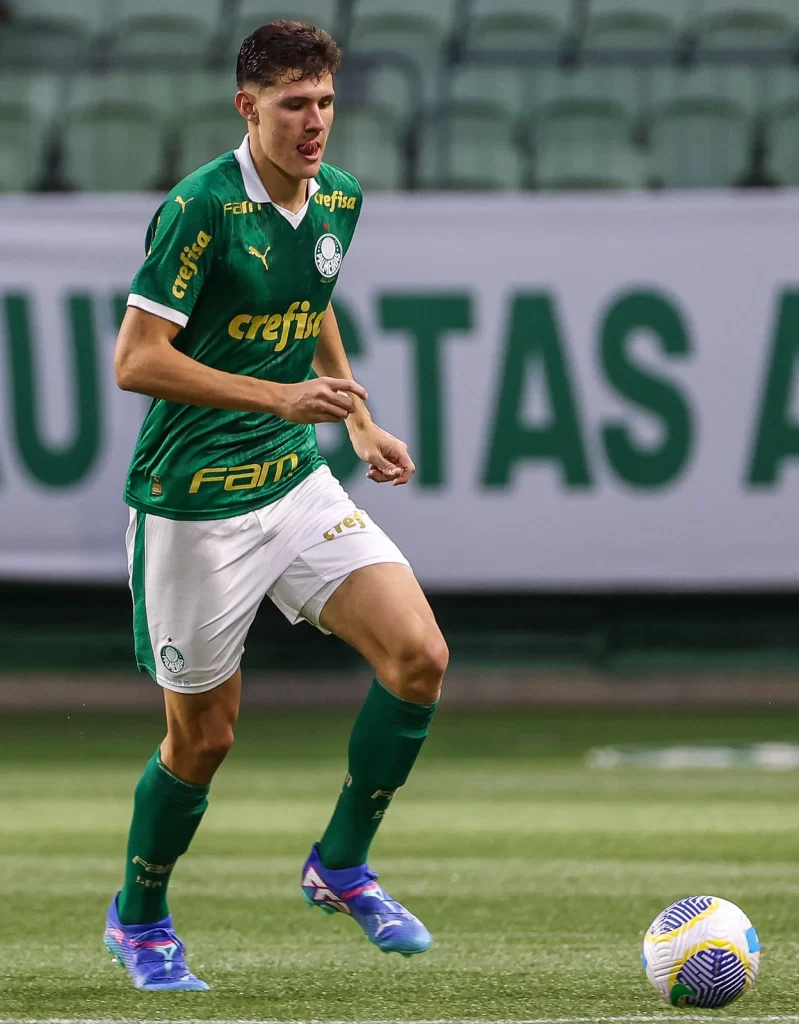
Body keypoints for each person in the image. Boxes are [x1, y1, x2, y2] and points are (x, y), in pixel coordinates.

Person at [103, 20, 448, 992]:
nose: (315, 123)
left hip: (293, 478)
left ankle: (340, 866)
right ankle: (139, 915)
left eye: (326, 101)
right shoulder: (198, 209)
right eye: (293, 104)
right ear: (246, 107)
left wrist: (358, 419)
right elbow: (136, 359)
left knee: (418, 654)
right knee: (202, 739)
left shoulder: (338, 197)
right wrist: (281, 394)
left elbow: (314, 287)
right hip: (193, 503)